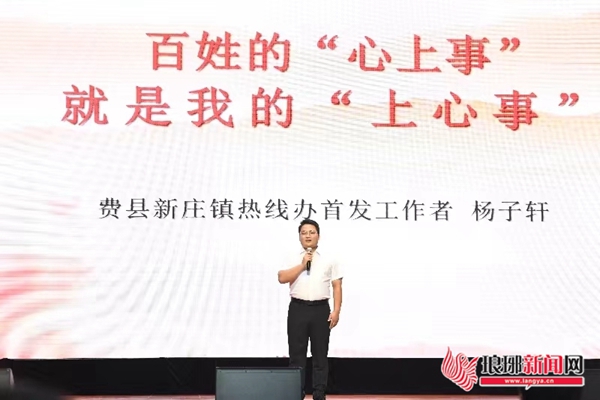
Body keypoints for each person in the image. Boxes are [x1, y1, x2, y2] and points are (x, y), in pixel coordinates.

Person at [277, 219, 343, 400]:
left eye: (312, 232)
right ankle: (295, 392)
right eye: (304, 232)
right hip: (298, 308)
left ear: (318, 236)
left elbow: (337, 285)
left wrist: (336, 311)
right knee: (296, 354)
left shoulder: (329, 258)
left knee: (320, 354)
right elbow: (282, 278)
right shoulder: (291, 256)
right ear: (299, 236)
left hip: (321, 310)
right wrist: (302, 264)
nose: (308, 236)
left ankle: (319, 393)